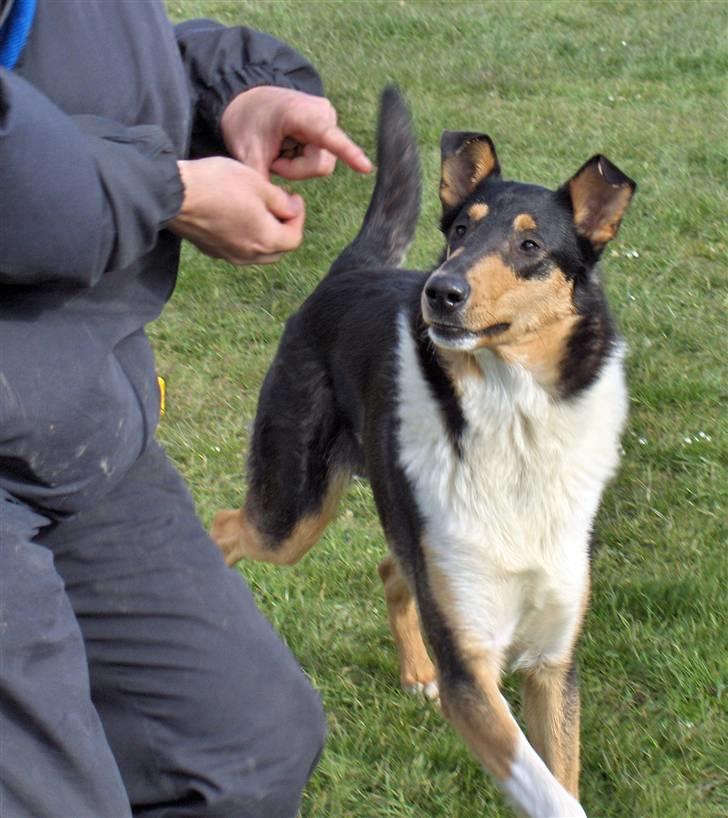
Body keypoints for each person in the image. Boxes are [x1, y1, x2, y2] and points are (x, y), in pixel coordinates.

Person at [0, 1, 371, 816]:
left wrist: (228, 93)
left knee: (242, 750)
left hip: (69, 418)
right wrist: (165, 190)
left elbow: (69, 48)